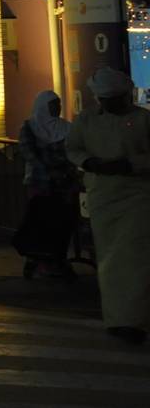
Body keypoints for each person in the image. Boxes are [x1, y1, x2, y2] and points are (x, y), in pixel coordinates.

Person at [65, 66, 150, 345]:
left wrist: (128, 165)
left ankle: (134, 319)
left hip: (137, 196)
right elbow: (74, 149)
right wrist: (91, 163)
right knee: (110, 261)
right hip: (103, 196)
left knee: (135, 260)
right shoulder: (87, 120)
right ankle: (118, 319)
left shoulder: (142, 120)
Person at [13, 89, 79, 281]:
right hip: (40, 183)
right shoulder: (30, 127)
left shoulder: (66, 128)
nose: (57, 108)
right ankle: (41, 261)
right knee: (42, 222)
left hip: (64, 184)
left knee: (62, 223)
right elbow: (29, 153)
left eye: (58, 104)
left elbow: (74, 151)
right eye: (53, 105)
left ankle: (56, 260)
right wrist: (50, 171)